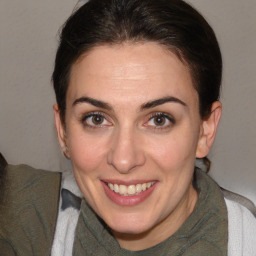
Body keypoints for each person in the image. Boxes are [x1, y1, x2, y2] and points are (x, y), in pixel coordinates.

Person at [0, 0, 255, 255]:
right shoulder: (22, 216)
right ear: (63, 130)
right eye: (97, 119)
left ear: (205, 130)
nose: (124, 159)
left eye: (159, 119)